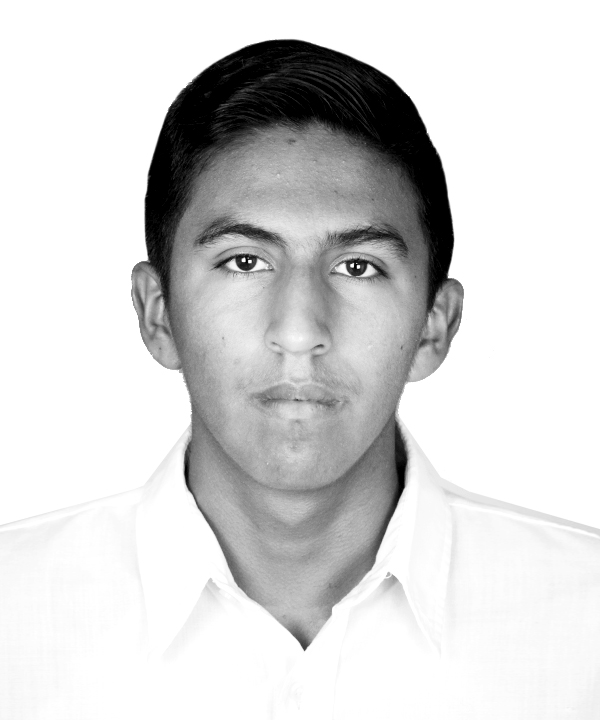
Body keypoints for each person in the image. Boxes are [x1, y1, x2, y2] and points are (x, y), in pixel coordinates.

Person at [1, 39, 599, 720]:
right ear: (157, 312)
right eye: (244, 262)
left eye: (358, 267)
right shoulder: (12, 620)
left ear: (435, 325)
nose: (298, 330)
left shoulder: (587, 626)